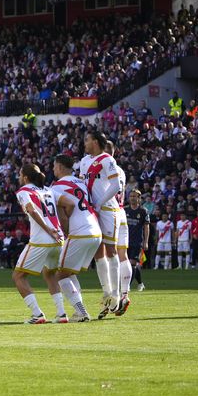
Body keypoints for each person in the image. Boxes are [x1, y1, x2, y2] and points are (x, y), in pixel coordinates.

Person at [51, 155, 102, 323]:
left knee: (59, 275)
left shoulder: (57, 187)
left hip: (79, 232)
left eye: (54, 166)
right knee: (68, 272)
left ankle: (81, 311)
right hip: (95, 231)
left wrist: (65, 233)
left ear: (59, 166)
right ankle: (80, 310)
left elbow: (66, 211)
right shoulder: (81, 182)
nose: (53, 169)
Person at [12, 164, 63, 324]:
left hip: (42, 239)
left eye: (20, 174)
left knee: (18, 276)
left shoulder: (24, 191)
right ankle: (61, 314)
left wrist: (48, 229)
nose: (19, 177)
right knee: (50, 274)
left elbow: (32, 210)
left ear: (26, 177)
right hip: (58, 238)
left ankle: (37, 314)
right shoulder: (48, 190)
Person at [78, 130, 121, 319]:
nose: (84, 143)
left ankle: (116, 295)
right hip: (92, 210)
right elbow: (81, 184)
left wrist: (100, 202)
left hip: (107, 210)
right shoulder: (84, 161)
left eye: (87, 140)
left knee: (111, 250)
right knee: (98, 252)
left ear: (95, 141)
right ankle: (106, 292)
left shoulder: (107, 160)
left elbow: (116, 186)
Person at [104, 141, 132, 315]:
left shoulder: (105, 167)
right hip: (122, 212)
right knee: (123, 255)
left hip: (111, 212)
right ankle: (124, 294)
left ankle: (111, 299)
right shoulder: (121, 170)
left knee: (109, 256)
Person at [125, 190, 150, 292]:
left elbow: (146, 227)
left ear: (139, 198)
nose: (132, 198)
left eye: (134, 196)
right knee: (129, 264)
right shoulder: (124, 210)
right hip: (125, 241)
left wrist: (146, 241)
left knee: (132, 263)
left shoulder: (143, 211)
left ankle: (127, 287)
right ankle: (140, 283)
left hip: (137, 241)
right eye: (131, 196)